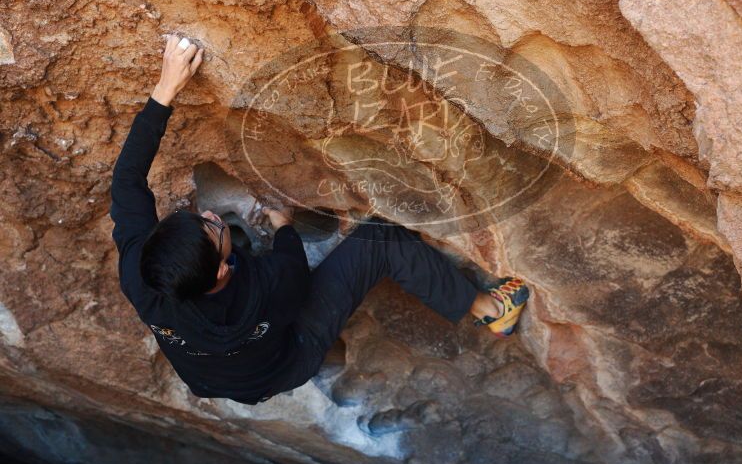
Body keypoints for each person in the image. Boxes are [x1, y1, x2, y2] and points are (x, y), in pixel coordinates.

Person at [110, 35, 530, 405]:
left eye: (197, 217)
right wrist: (283, 223)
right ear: (222, 270)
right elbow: (292, 266)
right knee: (383, 241)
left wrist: (165, 89)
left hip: (212, 376)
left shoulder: (139, 273)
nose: (208, 213)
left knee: (256, 333)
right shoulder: (265, 289)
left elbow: (127, 179)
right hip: (289, 359)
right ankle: (492, 309)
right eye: (214, 227)